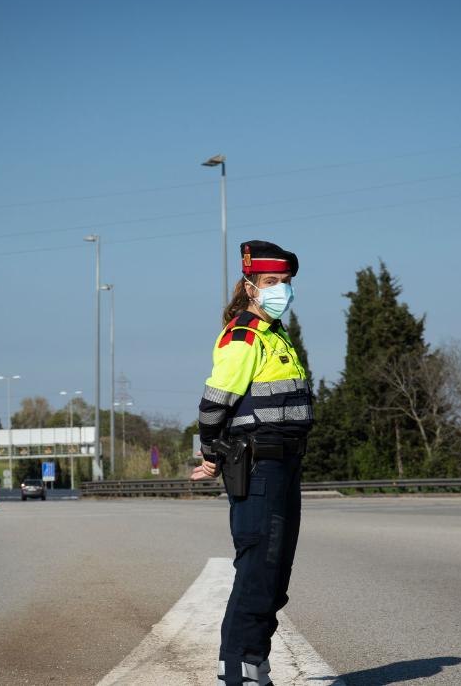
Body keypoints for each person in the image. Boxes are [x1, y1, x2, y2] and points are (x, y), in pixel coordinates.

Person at [192, 240, 314, 686]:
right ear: (250, 287)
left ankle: (254, 666)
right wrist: (209, 455)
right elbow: (212, 406)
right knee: (258, 569)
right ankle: (238, 670)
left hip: (285, 467)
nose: (281, 290)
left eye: (285, 282)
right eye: (271, 282)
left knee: (275, 574)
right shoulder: (243, 338)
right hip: (259, 468)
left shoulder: (275, 335)